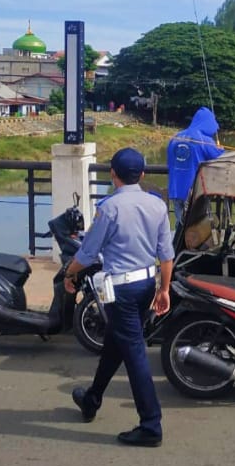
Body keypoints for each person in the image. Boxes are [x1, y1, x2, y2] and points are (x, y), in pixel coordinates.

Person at [65, 148, 174, 447]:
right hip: (146, 286)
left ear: (112, 174)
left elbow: (87, 252)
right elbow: (166, 254)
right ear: (142, 175)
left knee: (134, 353)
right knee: (116, 342)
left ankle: (151, 426)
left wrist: (68, 274)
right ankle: (92, 399)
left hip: (120, 291)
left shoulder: (108, 207)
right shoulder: (157, 205)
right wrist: (164, 289)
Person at [167, 107, 224, 224]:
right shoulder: (204, 140)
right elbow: (220, 157)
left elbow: (169, 161)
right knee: (197, 229)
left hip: (175, 189)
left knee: (180, 226)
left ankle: (178, 242)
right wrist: (220, 149)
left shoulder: (175, 137)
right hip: (195, 192)